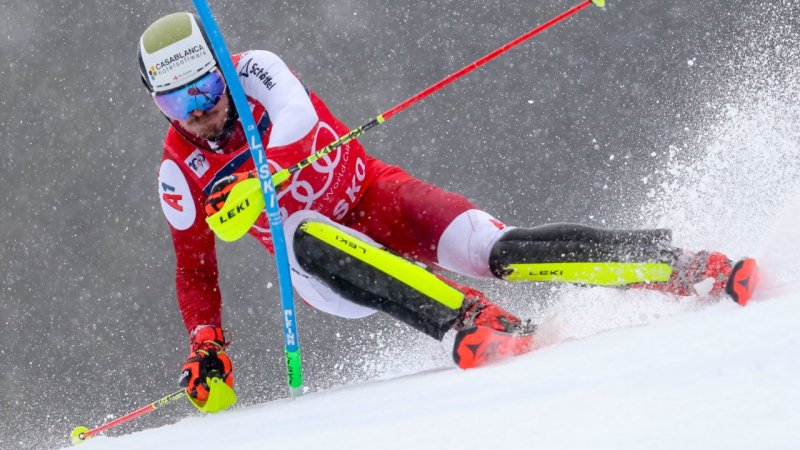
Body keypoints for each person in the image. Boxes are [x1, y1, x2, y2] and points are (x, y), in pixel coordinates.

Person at [137, 13, 759, 411]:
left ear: (222, 68)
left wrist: (258, 175)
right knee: (299, 230)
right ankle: (467, 319)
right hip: (327, 271)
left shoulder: (256, 71)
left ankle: (680, 266)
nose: (198, 111)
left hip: (377, 196)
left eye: (204, 88)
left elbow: (297, 118)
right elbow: (194, 270)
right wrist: (207, 344)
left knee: (495, 249)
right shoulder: (178, 173)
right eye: (175, 102)